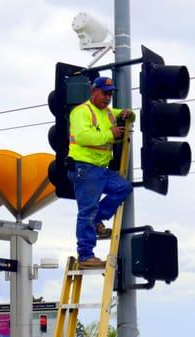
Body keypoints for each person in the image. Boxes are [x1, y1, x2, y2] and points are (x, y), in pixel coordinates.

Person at [67, 76, 134, 269]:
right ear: (93, 91)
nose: (108, 97)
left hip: (99, 169)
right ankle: (85, 255)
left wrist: (129, 114)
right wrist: (110, 134)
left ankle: (97, 220)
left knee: (123, 188)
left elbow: (122, 113)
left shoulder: (107, 113)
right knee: (86, 211)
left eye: (111, 93)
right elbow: (82, 136)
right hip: (85, 168)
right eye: (105, 93)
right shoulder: (81, 112)